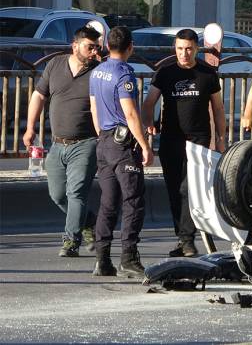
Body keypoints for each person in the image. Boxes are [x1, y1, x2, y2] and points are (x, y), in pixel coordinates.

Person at [141, 28, 226, 258]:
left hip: (198, 138)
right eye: (179, 49)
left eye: (188, 49)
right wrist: (148, 122)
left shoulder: (207, 73)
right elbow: (149, 101)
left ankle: (188, 240)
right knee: (174, 190)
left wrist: (220, 139)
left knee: (190, 189)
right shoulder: (165, 72)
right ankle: (182, 237)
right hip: (171, 138)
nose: (184, 54)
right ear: (175, 49)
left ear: (196, 49)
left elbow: (218, 109)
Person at [23, 26, 101, 257]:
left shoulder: (97, 72)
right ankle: (88, 220)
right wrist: (29, 128)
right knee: (58, 195)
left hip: (86, 143)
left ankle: (71, 241)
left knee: (76, 193)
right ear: (75, 45)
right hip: (57, 144)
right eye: (90, 47)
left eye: (97, 47)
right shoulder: (55, 65)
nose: (94, 52)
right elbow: (39, 95)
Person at [89, 26, 154, 277]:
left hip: (103, 142)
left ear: (106, 46)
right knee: (133, 200)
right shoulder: (124, 74)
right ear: (131, 48)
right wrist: (145, 145)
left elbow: (94, 108)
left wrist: (102, 137)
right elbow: (130, 113)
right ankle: (128, 256)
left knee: (108, 202)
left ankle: (102, 259)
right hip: (122, 143)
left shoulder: (97, 72)